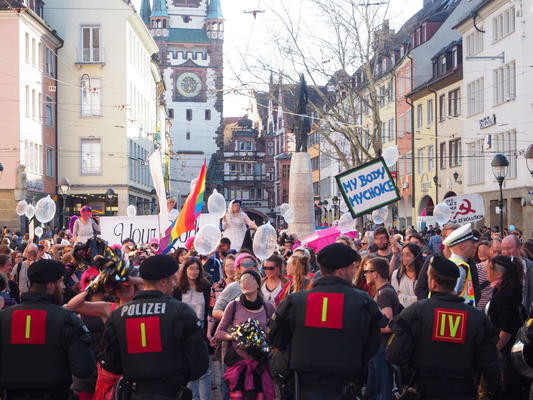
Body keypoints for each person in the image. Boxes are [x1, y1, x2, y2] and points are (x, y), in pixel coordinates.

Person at [268, 243, 385, 399]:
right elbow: (373, 345)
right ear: (342, 270)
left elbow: (276, 339)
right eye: (352, 267)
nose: (355, 272)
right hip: (344, 386)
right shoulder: (363, 302)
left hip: (302, 387)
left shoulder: (295, 301)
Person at [386, 255, 501, 400]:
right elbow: (490, 364)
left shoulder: (415, 313)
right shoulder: (477, 318)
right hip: (463, 390)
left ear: (433, 283)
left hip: (424, 390)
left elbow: (394, 355)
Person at [101, 255, 209, 399]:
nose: (174, 284)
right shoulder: (181, 312)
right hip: (170, 391)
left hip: (134, 392)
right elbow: (199, 363)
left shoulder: (118, 315)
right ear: (163, 282)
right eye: (172, 280)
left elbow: (111, 364)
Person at [0, 259, 95, 399]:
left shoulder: (4, 317)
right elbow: (84, 368)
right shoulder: (67, 319)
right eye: (61, 282)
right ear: (51, 286)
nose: (63, 287)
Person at [215, 270, 276, 399]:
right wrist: (236, 335)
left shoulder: (268, 307)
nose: (245, 283)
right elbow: (219, 333)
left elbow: (276, 333)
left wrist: (262, 338)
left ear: (258, 284)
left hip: (260, 365)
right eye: (242, 280)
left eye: (249, 279)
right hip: (238, 366)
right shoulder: (234, 306)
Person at [486, 255, 527, 397]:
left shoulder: (503, 296)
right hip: (509, 350)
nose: (487, 270)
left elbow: (508, 328)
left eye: (490, 268)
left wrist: (496, 348)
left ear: (499, 274)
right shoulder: (507, 291)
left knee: (507, 388)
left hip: (505, 352)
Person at [173, 257, 212, 400]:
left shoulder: (206, 286)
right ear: (185, 270)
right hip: (185, 330)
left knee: (204, 368)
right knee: (189, 367)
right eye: (191, 268)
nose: (194, 272)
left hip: (201, 327)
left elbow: (209, 309)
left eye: (197, 269)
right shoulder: (178, 289)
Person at [364, 257, 400, 400]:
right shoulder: (384, 290)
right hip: (379, 348)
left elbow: (386, 325)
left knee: (383, 392)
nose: (364, 274)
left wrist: (367, 327)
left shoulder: (384, 293)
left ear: (375, 273)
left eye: (367, 271)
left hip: (383, 348)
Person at [212, 252, 260, 321]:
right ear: (238, 269)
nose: (250, 267)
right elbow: (216, 312)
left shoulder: (261, 285)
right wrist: (236, 318)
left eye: (253, 264)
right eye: (245, 264)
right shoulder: (233, 287)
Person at [441, 223, 479, 306]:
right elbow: (449, 300)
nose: (474, 246)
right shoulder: (459, 268)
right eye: (472, 242)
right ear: (462, 245)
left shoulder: (457, 265)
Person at [501, 234, 533, 309]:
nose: (505, 252)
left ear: (519, 248)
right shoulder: (499, 268)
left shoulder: (530, 268)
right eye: (502, 249)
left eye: (508, 248)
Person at [391, 243, 422, 308]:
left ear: (416, 256)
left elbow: (424, 299)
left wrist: (403, 297)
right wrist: (415, 299)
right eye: (402, 255)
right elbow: (395, 298)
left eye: (408, 255)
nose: (404, 258)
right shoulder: (397, 274)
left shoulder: (424, 276)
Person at [474, 240, 492, 310]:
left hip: (491, 308)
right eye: (480, 251)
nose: (482, 253)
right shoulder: (476, 268)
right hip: (479, 308)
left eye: (485, 250)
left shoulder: (496, 268)